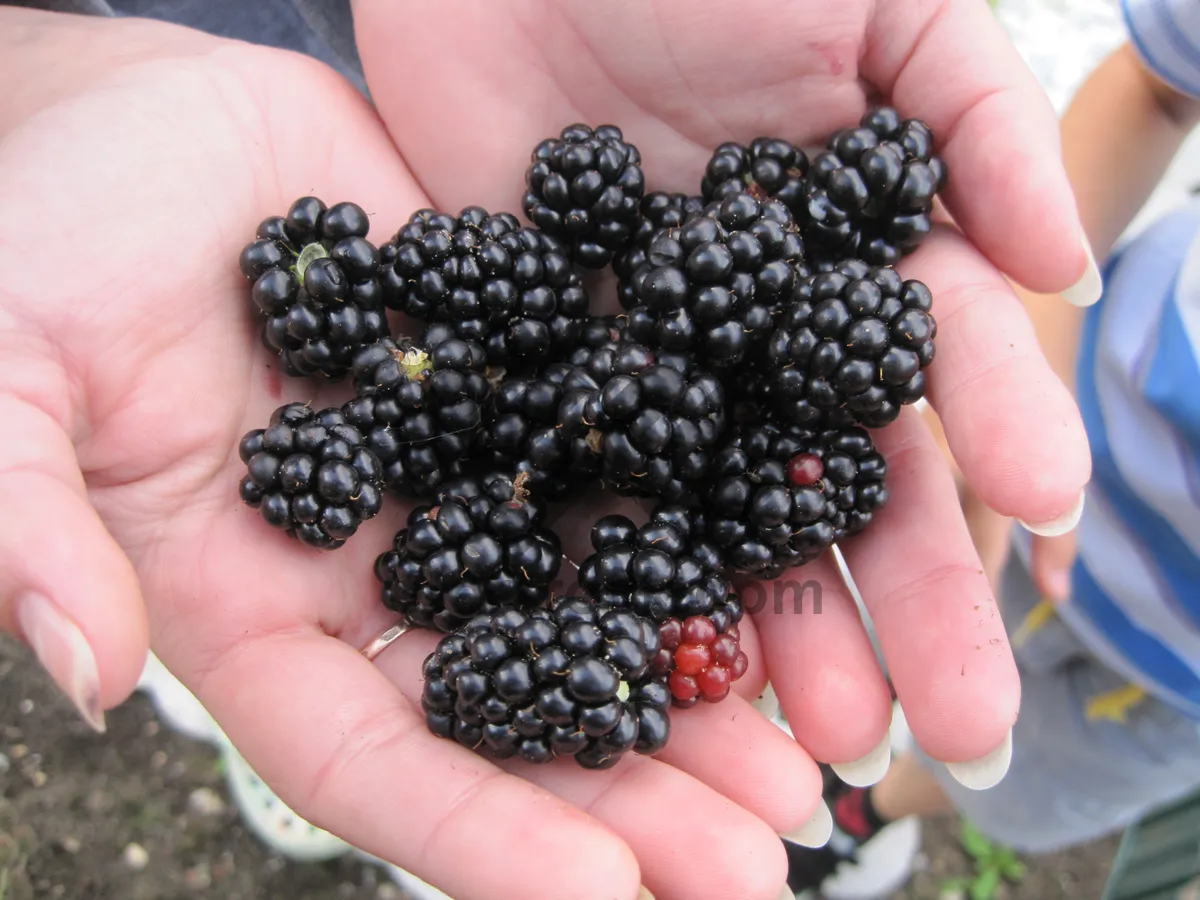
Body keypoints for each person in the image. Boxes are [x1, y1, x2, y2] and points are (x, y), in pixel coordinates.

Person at [0, 2, 1098, 898]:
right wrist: (36, 52)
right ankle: (209, 704)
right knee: (239, 615)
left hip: (432, 112)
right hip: (245, 96)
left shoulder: (681, 363)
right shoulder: (487, 385)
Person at [784, 1, 1200, 896]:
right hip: (1083, 402)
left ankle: (871, 811)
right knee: (932, 642)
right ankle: (871, 780)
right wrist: (1035, 350)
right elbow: (1160, 86)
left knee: (1017, 782)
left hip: (1180, 680)